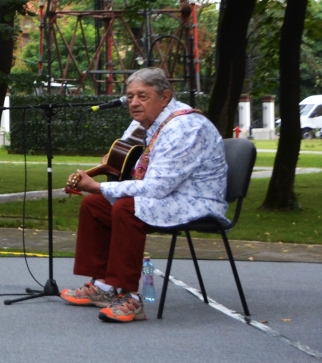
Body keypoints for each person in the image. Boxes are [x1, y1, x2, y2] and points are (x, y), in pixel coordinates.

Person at [63, 67, 228, 326]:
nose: (134, 103)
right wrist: (104, 174)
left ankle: (131, 297)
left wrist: (100, 186)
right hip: (171, 196)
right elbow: (130, 150)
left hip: (196, 201)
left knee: (126, 208)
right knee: (95, 205)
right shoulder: (153, 119)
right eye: (130, 97)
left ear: (165, 96)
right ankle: (103, 287)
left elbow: (155, 188)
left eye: (142, 96)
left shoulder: (184, 127)